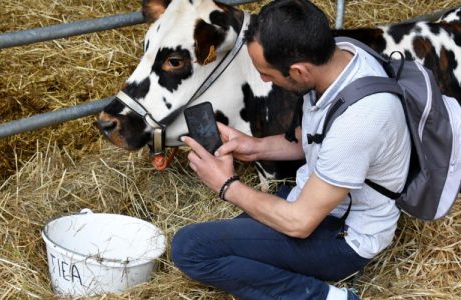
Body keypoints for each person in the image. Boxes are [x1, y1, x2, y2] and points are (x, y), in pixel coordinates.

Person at [171, 0, 411, 299]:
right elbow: (316, 137)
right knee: (227, 240)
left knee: (191, 248)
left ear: (298, 72)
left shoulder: (361, 120)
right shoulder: (341, 57)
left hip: (342, 236)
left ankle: (330, 297)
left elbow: (299, 223)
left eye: (267, 73)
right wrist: (255, 147)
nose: (262, 79)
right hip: (315, 200)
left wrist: (226, 185)